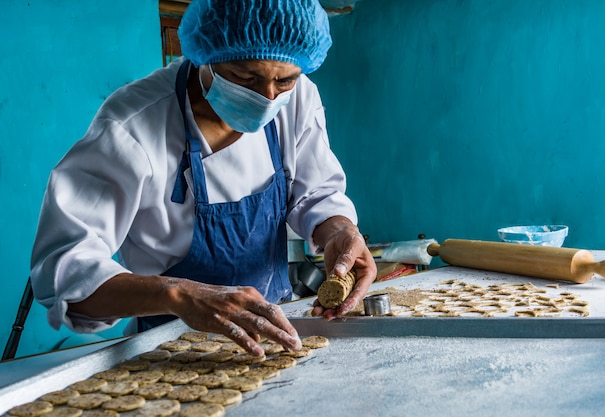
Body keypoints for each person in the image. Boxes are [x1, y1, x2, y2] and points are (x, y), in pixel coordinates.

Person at [30, 0, 377, 356]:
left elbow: (316, 193)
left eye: (284, 80)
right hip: (170, 347)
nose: (268, 97)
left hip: (277, 332)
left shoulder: (298, 98)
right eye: (245, 77)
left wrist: (339, 230)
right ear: (205, 54)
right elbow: (64, 270)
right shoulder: (132, 127)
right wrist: (178, 295)